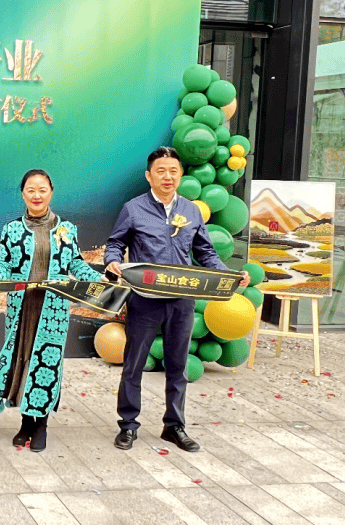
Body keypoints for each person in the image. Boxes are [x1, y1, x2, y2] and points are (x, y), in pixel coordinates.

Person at [106, 147, 249, 453]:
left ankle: (174, 426)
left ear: (180, 175)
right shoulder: (133, 208)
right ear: (149, 176)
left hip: (182, 299)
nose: (167, 177)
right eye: (161, 171)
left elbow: (206, 252)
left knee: (177, 365)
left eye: (173, 171)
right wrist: (112, 261)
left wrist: (228, 276)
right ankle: (128, 425)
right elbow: (116, 242)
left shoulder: (191, 211)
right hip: (145, 297)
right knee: (134, 363)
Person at [0, 169, 103, 452]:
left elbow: (76, 264)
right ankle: (25, 422)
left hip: (53, 309)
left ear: (51, 193)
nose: (37, 195)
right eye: (31, 190)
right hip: (22, 308)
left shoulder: (66, 229)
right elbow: (5, 264)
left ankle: (41, 424)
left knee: (47, 363)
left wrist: (98, 278)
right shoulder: (11, 229)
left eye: (42, 189)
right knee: (21, 360)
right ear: (23, 194)